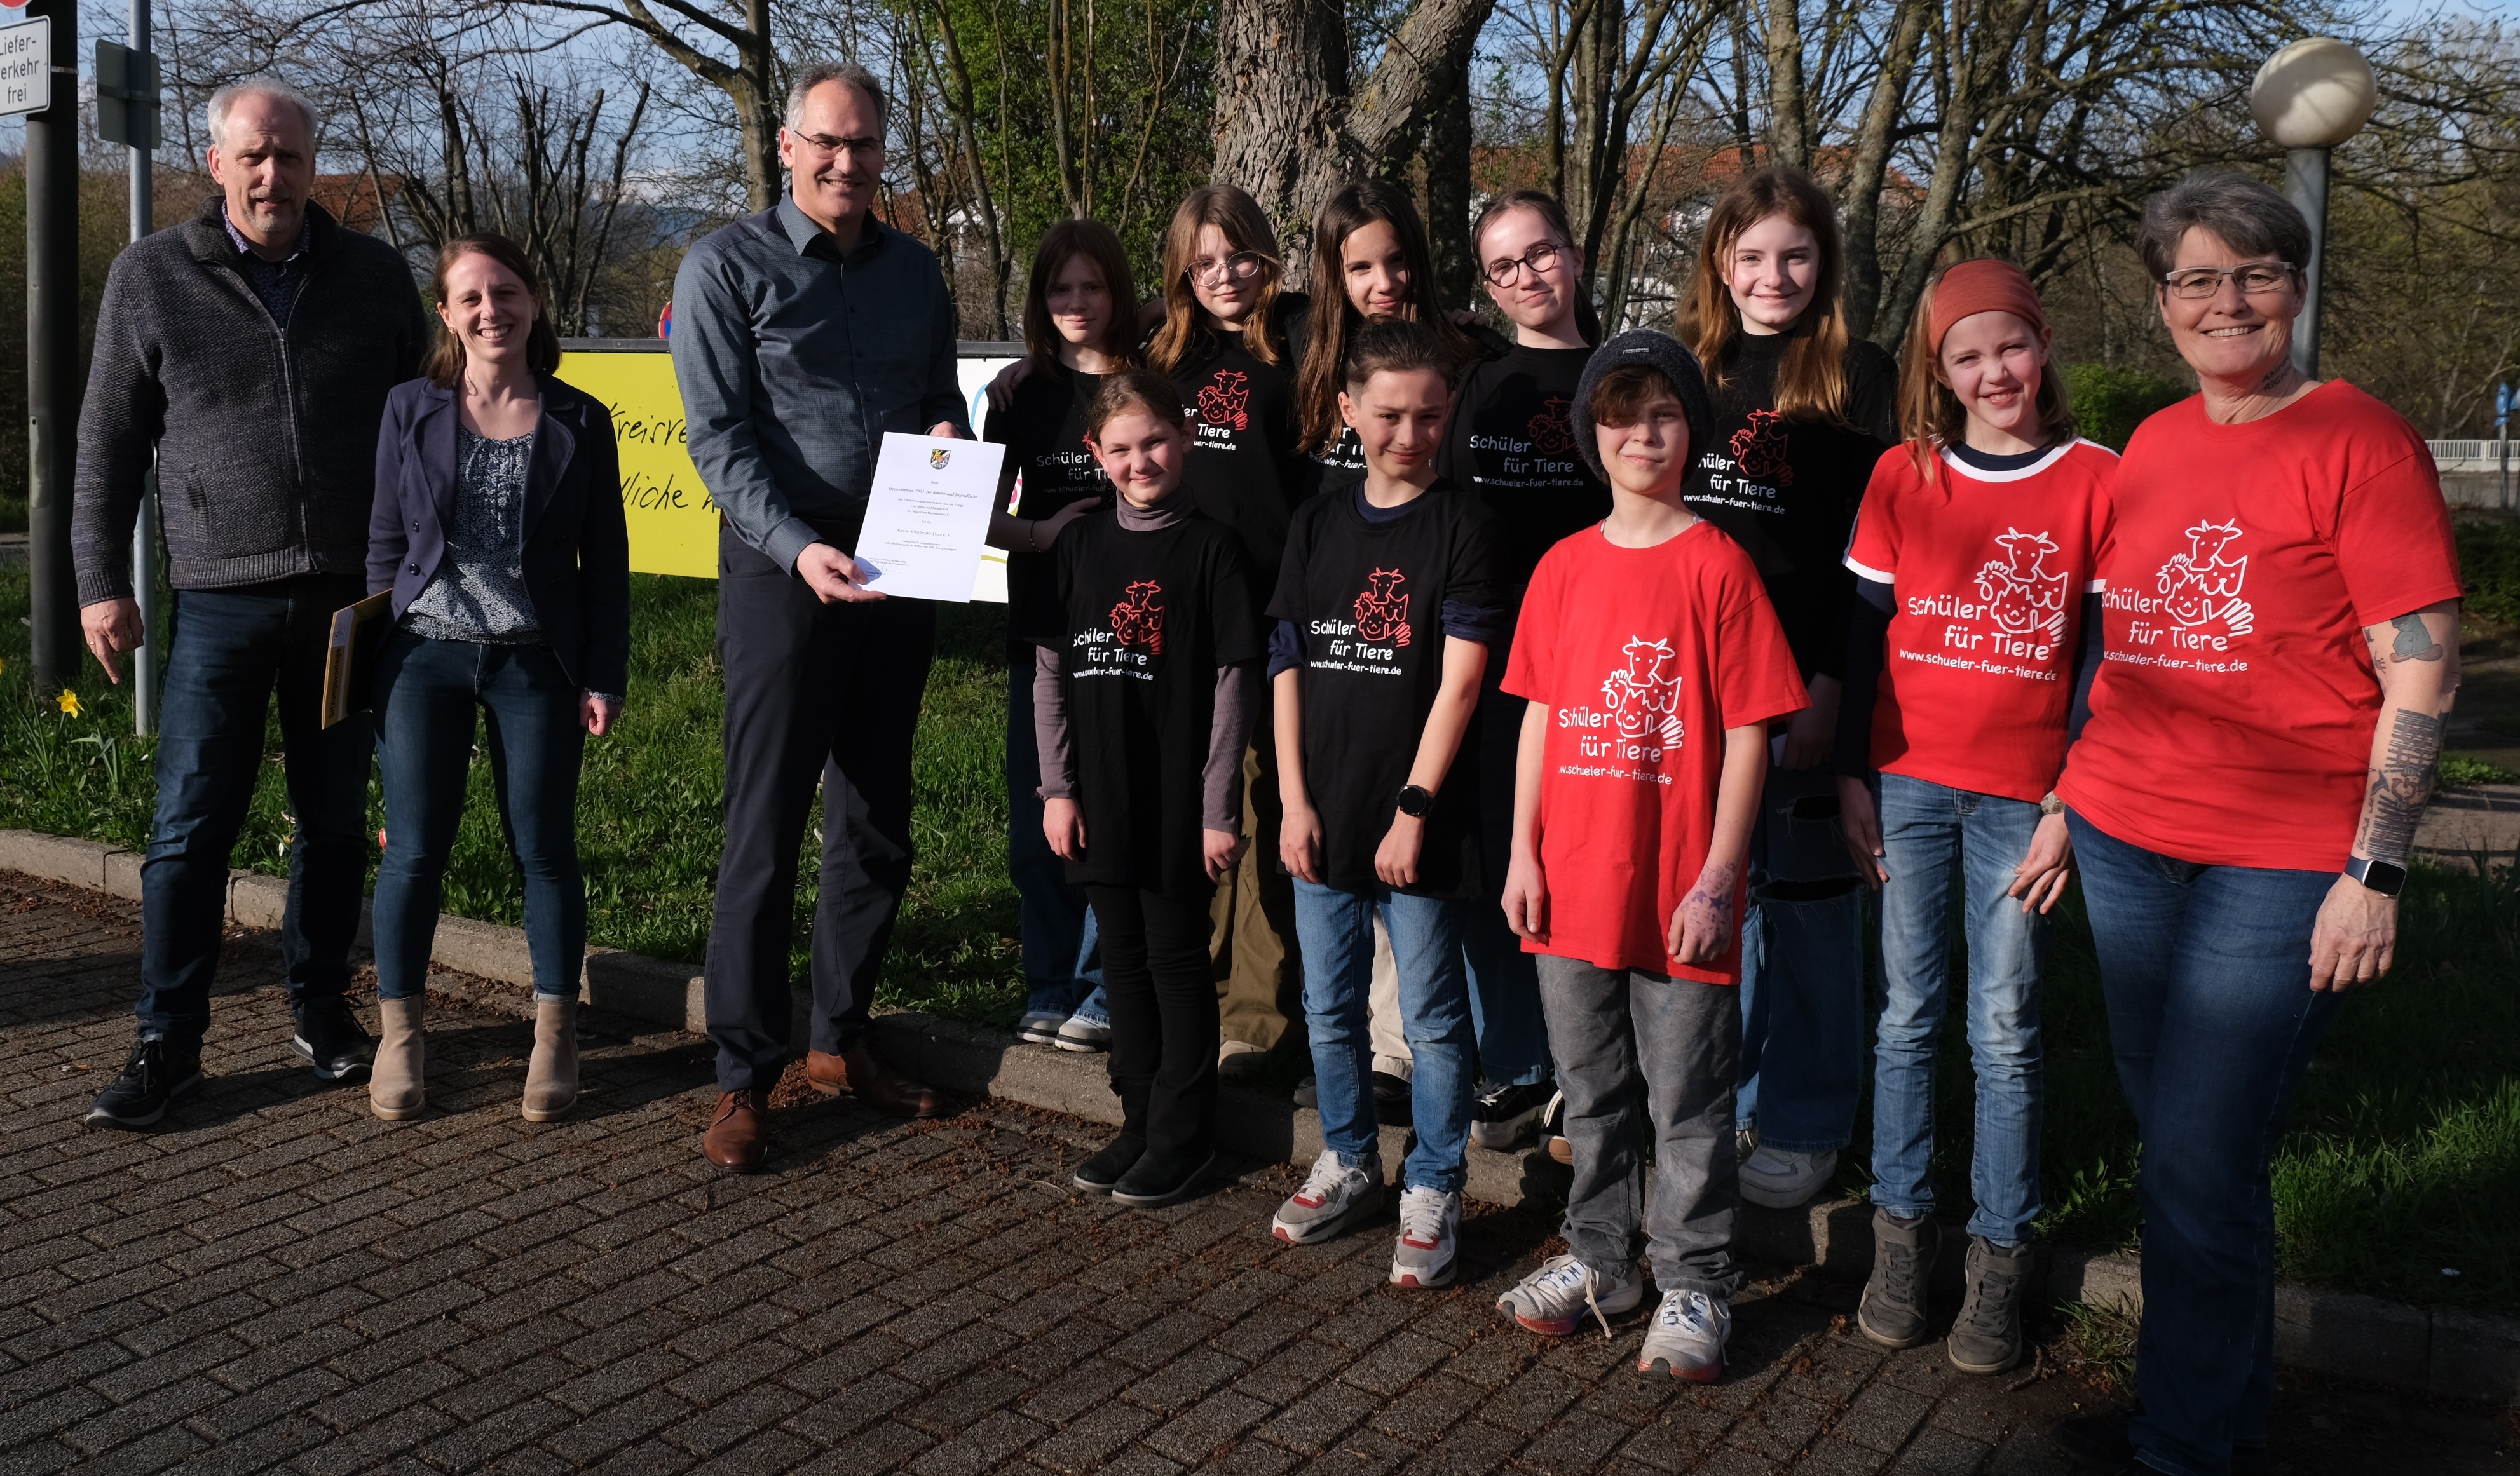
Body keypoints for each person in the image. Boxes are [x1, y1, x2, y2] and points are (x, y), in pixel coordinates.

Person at [2046, 175, 2462, 1476]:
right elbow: (2121, 648)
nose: (2225, 301)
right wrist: (2067, 803)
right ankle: (2214, 1416)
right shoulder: (2157, 444)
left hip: (2278, 861)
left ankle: (2179, 1444)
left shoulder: (2357, 441)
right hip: (2122, 834)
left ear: (2293, 283)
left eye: (2255, 273)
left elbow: (2422, 665)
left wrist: (2372, 871)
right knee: (2191, 1166)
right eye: (2195, 279)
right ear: (2159, 298)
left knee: (2191, 1159)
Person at [74, 78, 430, 1129]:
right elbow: (107, 442)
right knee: (190, 827)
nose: (274, 175)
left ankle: (323, 1013)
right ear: (216, 163)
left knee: (331, 820)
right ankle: (167, 1040)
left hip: (346, 604)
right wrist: (101, 582)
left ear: (315, 165)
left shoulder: (372, 276)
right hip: (220, 604)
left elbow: (424, 423)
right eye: (254, 157)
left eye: (291, 156)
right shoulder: (151, 277)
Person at [1492, 332, 1808, 1382]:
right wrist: (1521, 853)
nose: (1642, 434)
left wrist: (1720, 876)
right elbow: (1537, 716)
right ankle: (1601, 1262)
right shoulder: (1563, 566)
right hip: (1569, 879)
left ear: (1691, 433)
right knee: (1591, 1094)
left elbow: (1753, 731)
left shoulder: (1719, 565)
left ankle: (1695, 1279)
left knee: (1689, 1100)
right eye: (1621, 415)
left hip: (1680, 886)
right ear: (1592, 432)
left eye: (1663, 414)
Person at [672, 62, 966, 1170]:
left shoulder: (919, 273)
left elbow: (939, 402)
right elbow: (718, 439)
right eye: (829, 144)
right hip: (780, 569)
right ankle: (745, 1073)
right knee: (766, 826)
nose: (849, 163)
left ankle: (841, 1040)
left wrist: (957, 481)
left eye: (868, 146)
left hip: (898, 567)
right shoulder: (723, 268)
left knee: (877, 817)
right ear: (788, 147)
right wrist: (800, 548)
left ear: (886, 153)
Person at [1832, 259, 2113, 1374]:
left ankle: (2003, 1253)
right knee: (1906, 1015)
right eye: (1967, 355)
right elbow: (1861, 638)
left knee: (2004, 1026)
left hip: (2024, 799)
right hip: (1905, 781)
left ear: (2042, 348)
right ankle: (1903, 1238)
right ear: (1937, 374)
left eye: (2011, 346)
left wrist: (2072, 802)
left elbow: (2108, 660)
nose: (1994, 371)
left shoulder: (2101, 478)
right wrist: (1852, 774)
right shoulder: (1907, 476)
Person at [360, 234, 630, 1123]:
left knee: (544, 849)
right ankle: (401, 1037)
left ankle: (555, 1033)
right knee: (415, 850)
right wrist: (369, 653)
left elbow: (607, 567)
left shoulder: (581, 419)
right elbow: (385, 545)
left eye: (507, 292)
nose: (491, 310)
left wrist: (603, 672)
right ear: (445, 312)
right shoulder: (409, 406)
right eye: (471, 296)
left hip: (535, 662)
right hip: (422, 658)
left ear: (535, 300)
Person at [1265, 321, 1504, 1286]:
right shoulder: (1316, 523)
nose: (1411, 433)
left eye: (1431, 415)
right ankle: (1350, 1157)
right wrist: (1291, 799)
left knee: (1436, 1020)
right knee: (1329, 1008)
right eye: (1391, 414)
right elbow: (1285, 661)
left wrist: (1414, 808)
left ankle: (1434, 1180)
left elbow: (1461, 683)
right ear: (1348, 409)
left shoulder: (1466, 525)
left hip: (1419, 824)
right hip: (1319, 811)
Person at [1677, 166, 1897, 1210]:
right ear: (1722, 264)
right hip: (1693, 687)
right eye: (1753, 256)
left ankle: (1808, 1114)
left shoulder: (1864, 375)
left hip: (1802, 687)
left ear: (1826, 264)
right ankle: (1728, 1099)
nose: (1775, 276)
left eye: (1796, 256)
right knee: (1724, 897)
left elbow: (1873, 554)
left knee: (1807, 906)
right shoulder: (1687, 369)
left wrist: (1830, 681)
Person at [1027, 370, 1262, 1207]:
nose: (1140, 460)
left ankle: (1183, 1132)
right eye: (1120, 448)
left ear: (1187, 436)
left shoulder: (1212, 548)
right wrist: (1058, 788)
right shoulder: (1081, 546)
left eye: (1155, 441)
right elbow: (1050, 674)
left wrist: (1214, 809)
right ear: (1095, 453)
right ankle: (1135, 1116)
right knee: (1120, 963)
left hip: (1176, 801)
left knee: (1174, 963)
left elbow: (1235, 687)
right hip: (1098, 793)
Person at [1435, 189, 1607, 1154]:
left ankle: (1591, 1072)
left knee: (1582, 864)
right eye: (1503, 265)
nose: (1526, 277)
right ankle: (1521, 1063)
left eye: (1539, 254)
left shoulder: (1620, 373)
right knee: (1501, 859)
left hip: (1595, 657)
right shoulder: (1477, 384)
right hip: (1492, 656)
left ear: (1573, 257)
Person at [1145, 185, 1316, 1079]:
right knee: (1190, 808)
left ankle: (1255, 1015)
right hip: (1177, 618)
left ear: (1267, 255)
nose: (1224, 275)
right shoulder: (1164, 358)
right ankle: (1194, 995)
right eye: (1204, 261)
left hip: (1266, 616)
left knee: (1255, 804)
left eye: (1239, 255)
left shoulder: (1298, 343)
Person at [988, 220, 1136, 1050]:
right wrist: (1040, 537)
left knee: (1113, 816)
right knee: (1038, 819)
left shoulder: (1151, 383)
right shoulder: (1019, 393)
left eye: (1091, 286)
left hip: (1133, 642)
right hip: (1042, 632)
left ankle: (1103, 987)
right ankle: (1047, 982)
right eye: (1059, 289)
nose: (1076, 303)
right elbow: (977, 509)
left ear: (1115, 292)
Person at [1291, 179, 1487, 481]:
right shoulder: (1306, 339)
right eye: (1361, 268)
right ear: (1335, 275)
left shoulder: (1465, 352)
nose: (1384, 283)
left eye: (1398, 260)